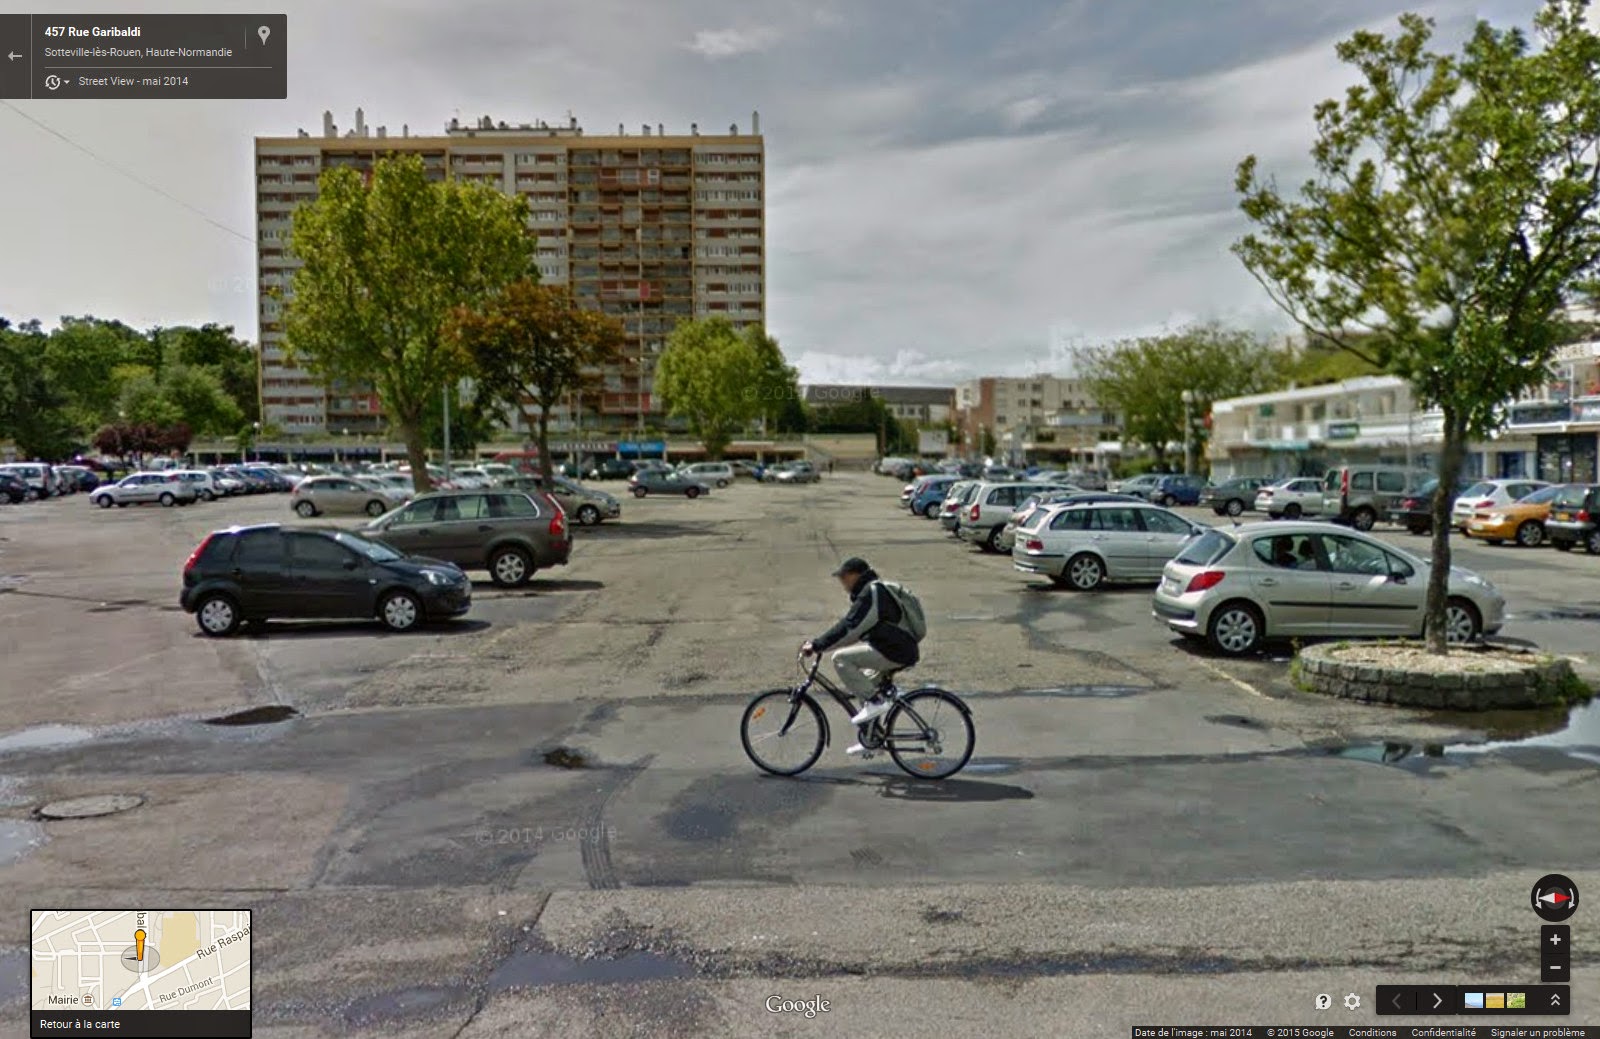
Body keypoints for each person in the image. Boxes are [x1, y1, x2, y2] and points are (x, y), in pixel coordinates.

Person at [801, 557, 920, 756]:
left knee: (840, 658)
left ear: (855, 575)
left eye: (844, 578)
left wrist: (817, 645)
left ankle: (875, 703)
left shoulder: (871, 593)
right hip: (895, 648)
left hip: (894, 651)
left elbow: (851, 627)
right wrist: (821, 644)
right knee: (863, 684)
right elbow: (853, 628)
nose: (843, 583)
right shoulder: (872, 592)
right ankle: (872, 739)